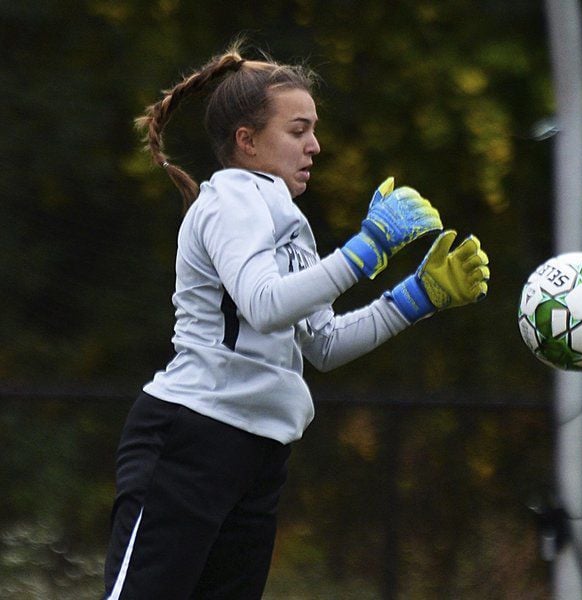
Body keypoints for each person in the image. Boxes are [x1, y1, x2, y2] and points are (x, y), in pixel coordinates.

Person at [103, 40, 489, 600]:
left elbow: (323, 344)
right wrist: (366, 249)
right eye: (298, 130)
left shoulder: (286, 219)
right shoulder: (231, 198)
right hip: (191, 437)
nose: (315, 145)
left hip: (256, 452)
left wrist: (415, 297)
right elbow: (264, 303)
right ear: (248, 141)